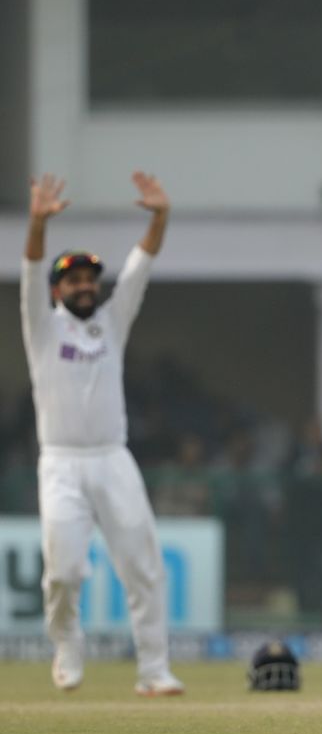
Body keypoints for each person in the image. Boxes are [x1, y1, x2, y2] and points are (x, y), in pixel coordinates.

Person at [20, 172, 184, 696]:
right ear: (57, 289)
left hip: (113, 458)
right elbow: (28, 271)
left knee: (143, 566)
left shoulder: (112, 322)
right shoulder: (41, 325)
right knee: (64, 572)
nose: (85, 285)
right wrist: (38, 224)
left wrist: (159, 216)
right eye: (73, 279)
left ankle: (154, 670)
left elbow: (140, 267)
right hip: (62, 463)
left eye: (91, 278)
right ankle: (66, 644)